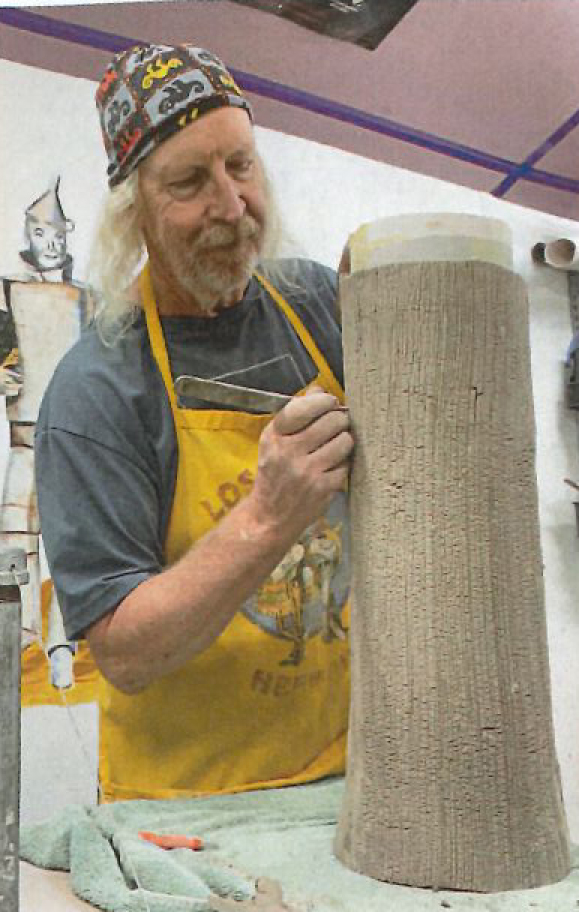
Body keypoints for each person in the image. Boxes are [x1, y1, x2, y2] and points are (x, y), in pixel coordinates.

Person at [35, 43, 354, 802]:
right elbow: (125, 654)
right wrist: (268, 517)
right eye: (189, 183)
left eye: (241, 166)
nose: (232, 206)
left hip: (345, 776)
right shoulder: (96, 392)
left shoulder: (315, 304)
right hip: (187, 807)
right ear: (133, 212)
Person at [0, 177, 89, 690]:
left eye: (56, 233)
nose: (49, 242)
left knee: (67, 545)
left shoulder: (87, 299)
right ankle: (20, 637)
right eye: (40, 232)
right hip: (21, 441)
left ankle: (60, 646)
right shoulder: (8, 292)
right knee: (16, 541)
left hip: (69, 442)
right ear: (27, 234)